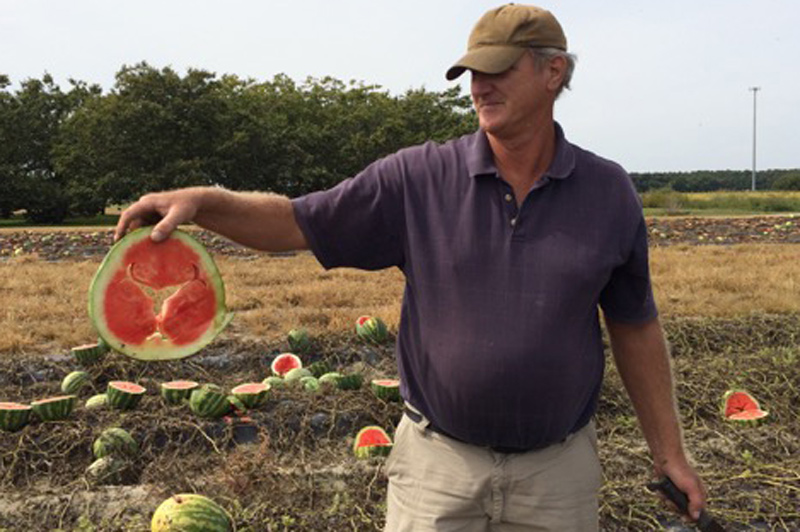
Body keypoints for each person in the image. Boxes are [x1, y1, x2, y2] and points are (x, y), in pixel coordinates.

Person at [116, 4, 707, 530]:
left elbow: (635, 325)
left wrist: (669, 453)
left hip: (558, 475)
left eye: (497, 69)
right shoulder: (417, 179)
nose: (480, 86)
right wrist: (203, 204)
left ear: (553, 73)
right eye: (473, 73)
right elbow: (297, 221)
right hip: (437, 470)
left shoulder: (607, 192)